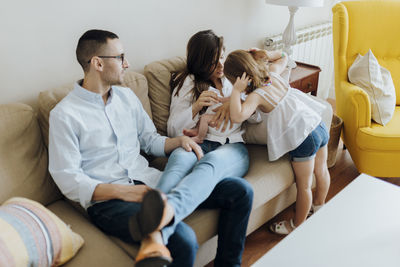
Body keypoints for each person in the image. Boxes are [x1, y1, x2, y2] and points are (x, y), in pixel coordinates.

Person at [48, 29, 252, 267]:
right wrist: (125, 192)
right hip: (109, 203)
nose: (127, 64)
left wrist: (180, 141)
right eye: (120, 57)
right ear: (97, 63)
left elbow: (150, 140)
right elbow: (68, 180)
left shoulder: (127, 98)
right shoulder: (64, 115)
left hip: (151, 182)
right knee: (184, 240)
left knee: (240, 191)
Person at [158, 30, 255, 267]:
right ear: (200, 61)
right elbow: (172, 130)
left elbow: (257, 109)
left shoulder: (234, 78)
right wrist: (194, 107)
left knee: (209, 165)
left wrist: (237, 101)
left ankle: (162, 222)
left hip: (232, 148)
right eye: (213, 61)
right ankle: (154, 208)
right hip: (197, 141)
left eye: (221, 57)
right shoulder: (188, 82)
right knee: (179, 162)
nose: (220, 65)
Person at [224, 49, 331, 235]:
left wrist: (236, 92)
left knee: (304, 186)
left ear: (236, 79)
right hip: (317, 123)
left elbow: (237, 115)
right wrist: (265, 53)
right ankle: (320, 206)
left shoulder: (256, 95)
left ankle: (297, 226)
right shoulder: (272, 75)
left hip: (304, 138)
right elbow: (284, 57)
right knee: (321, 171)